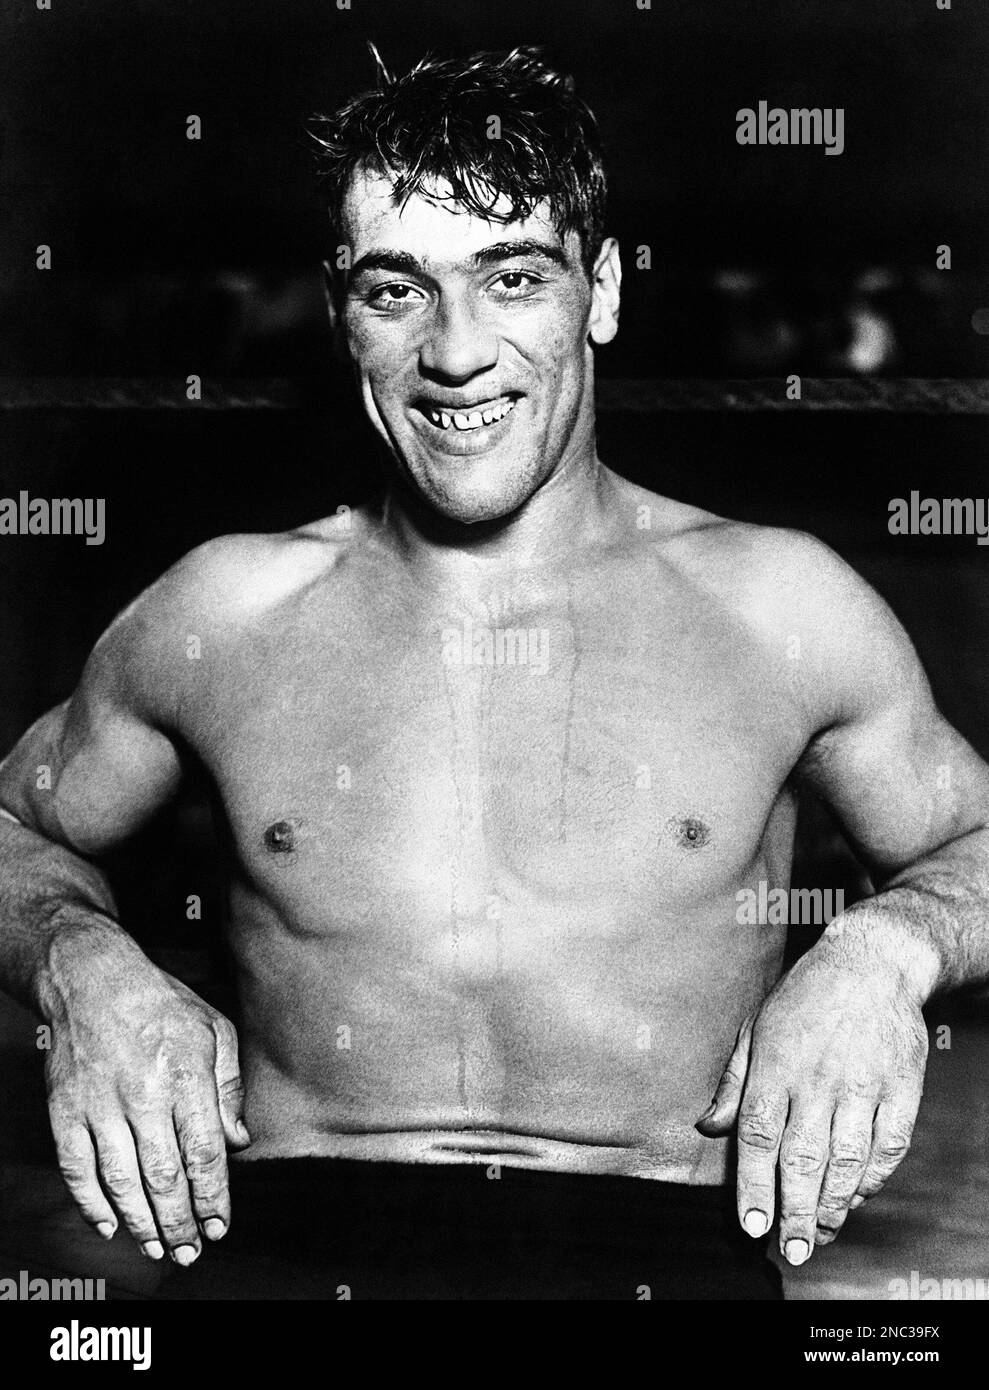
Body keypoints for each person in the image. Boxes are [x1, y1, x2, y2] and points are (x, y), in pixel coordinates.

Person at [1, 46, 987, 1300]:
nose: (455, 352)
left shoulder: (779, 605)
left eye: (512, 278)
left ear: (603, 291)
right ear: (336, 312)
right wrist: (81, 966)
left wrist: (882, 953)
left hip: (649, 1249)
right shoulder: (225, 608)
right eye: (395, 290)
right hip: (295, 1246)